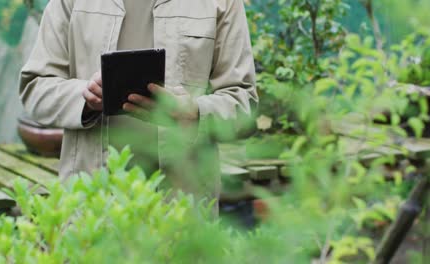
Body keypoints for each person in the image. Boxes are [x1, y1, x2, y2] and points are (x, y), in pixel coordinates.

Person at [19, 0, 258, 207]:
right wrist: (85, 96)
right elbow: (36, 86)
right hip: (91, 205)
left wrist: (195, 114)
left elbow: (244, 102)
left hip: (182, 207)